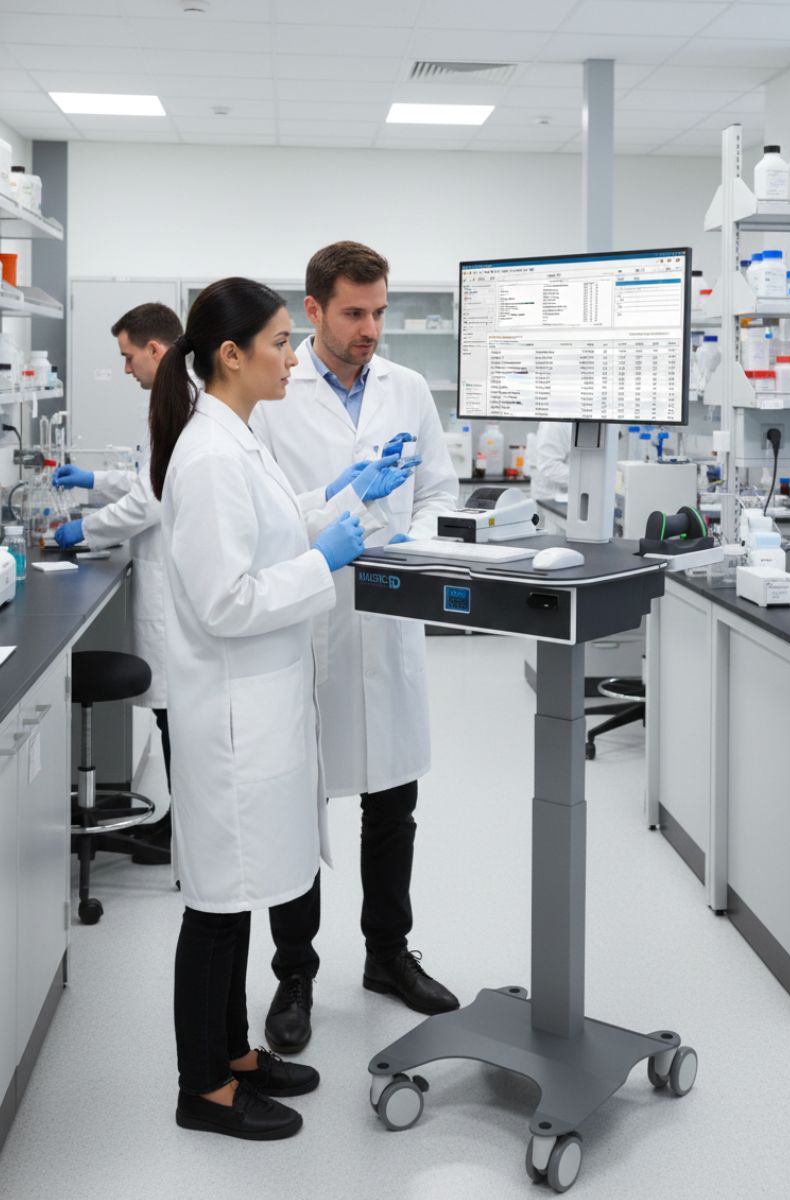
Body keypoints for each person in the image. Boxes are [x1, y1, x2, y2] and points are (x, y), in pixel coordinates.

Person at [149, 276, 410, 1140]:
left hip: (258, 709)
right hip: (231, 719)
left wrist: (341, 494)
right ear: (231, 356)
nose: (290, 358)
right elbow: (228, 599)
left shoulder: (237, 438)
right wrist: (325, 562)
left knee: (239, 895)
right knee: (219, 908)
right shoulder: (212, 454)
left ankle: (235, 1055)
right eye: (276, 343)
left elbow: (272, 527)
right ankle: (204, 1090)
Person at [250, 241, 460, 1055]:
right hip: (305, 618)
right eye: (353, 313)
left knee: (392, 804)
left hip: (387, 618)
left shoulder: (406, 390)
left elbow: (440, 490)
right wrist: (332, 515)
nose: (371, 328)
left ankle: (385, 954)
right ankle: (294, 974)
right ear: (312, 311)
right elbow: (264, 516)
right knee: (298, 805)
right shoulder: (272, 393)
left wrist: (413, 536)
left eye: (378, 312)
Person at [54, 303, 183, 862]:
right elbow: (143, 479)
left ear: (156, 350)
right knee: (172, 717)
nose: (126, 367)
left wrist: (84, 527)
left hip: (175, 588)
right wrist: (92, 481)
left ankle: (182, 831)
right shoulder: (173, 400)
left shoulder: (180, 405)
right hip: (168, 579)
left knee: (176, 718)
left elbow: (150, 501)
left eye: (129, 356)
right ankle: (178, 826)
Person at [531, 422, 573, 500]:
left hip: (571, 496)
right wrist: (585, 480)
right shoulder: (554, 424)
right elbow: (549, 465)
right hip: (552, 498)